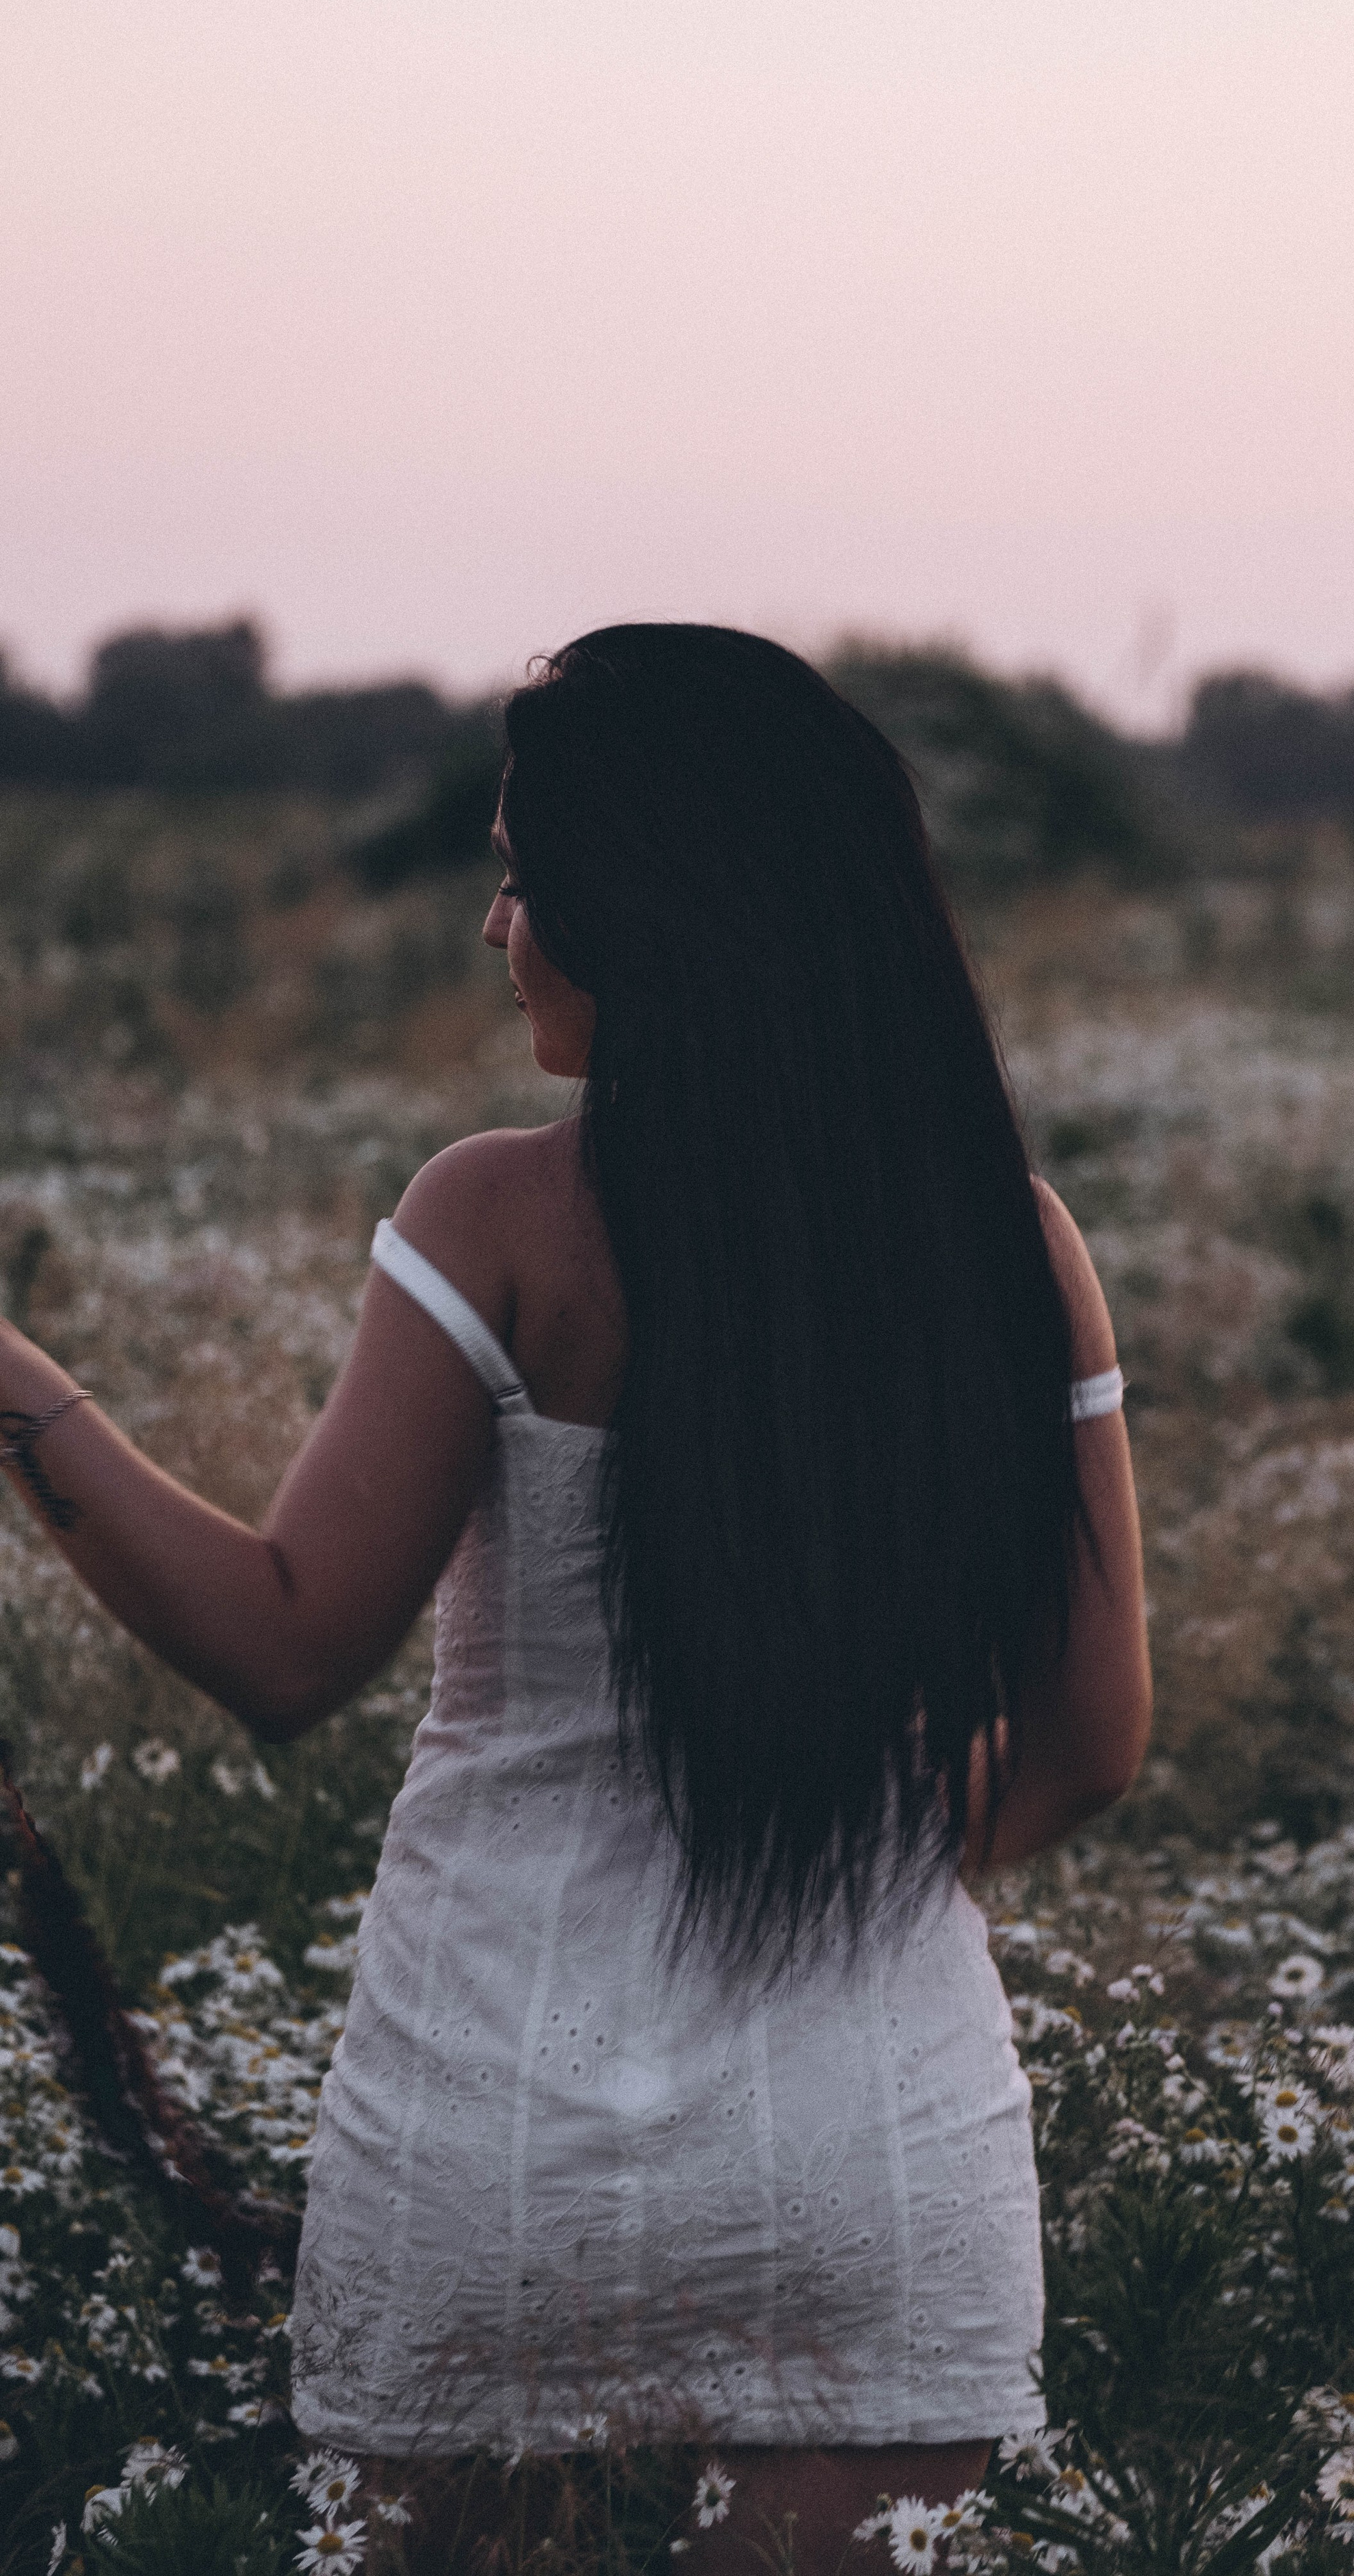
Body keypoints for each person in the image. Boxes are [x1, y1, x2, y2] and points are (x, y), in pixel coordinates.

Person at [0, 626, 1151, 2573]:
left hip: (496, 2135)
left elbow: (287, 1642)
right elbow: (1095, 1742)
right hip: (865, 2156)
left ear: (649, 902)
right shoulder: (1005, 1239)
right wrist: (857, 1854)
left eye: (524, 870)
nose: (493, 924)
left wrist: (17, 1384)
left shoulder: (500, 1219)